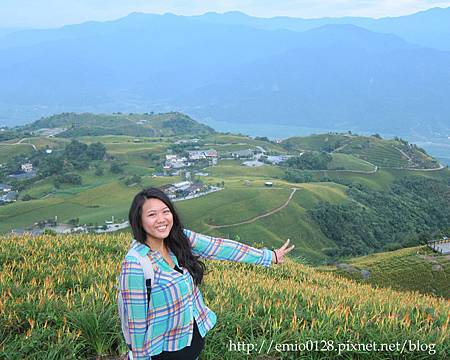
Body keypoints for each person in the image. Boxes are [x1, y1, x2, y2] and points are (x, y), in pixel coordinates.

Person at [119, 187, 295, 360]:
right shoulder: (136, 263)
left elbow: (221, 247)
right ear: (139, 221)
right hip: (164, 352)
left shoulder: (179, 240)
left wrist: (268, 256)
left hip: (192, 342)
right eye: (152, 215)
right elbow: (137, 324)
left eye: (166, 211)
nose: (161, 219)